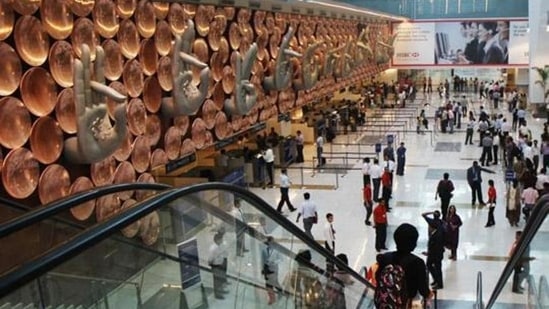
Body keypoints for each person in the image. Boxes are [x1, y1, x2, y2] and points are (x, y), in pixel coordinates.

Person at [376, 224, 431, 307]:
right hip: (405, 303)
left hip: (386, 302)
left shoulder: (385, 257)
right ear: (413, 244)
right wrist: (429, 295)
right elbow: (423, 289)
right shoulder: (417, 262)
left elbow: (377, 277)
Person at [422, 211, 445, 289]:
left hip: (436, 254)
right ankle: (436, 279)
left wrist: (429, 253)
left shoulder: (437, 236)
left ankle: (439, 283)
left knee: (437, 268)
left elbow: (435, 246)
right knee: (429, 265)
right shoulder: (440, 224)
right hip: (434, 253)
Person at [208, 233, 229, 299]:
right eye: (221, 239)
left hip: (220, 265)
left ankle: (221, 290)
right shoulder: (213, 248)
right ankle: (217, 294)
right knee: (217, 281)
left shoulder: (219, 246)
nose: (222, 240)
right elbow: (210, 259)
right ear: (217, 240)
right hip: (216, 266)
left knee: (220, 279)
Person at [262, 236, 282, 305]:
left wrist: (273, 262)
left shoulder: (276, 250)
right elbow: (263, 259)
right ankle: (280, 291)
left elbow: (280, 259)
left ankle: (272, 299)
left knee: (269, 285)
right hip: (267, 269)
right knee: (273, 282)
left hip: (273, 269)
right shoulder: (264, 249)